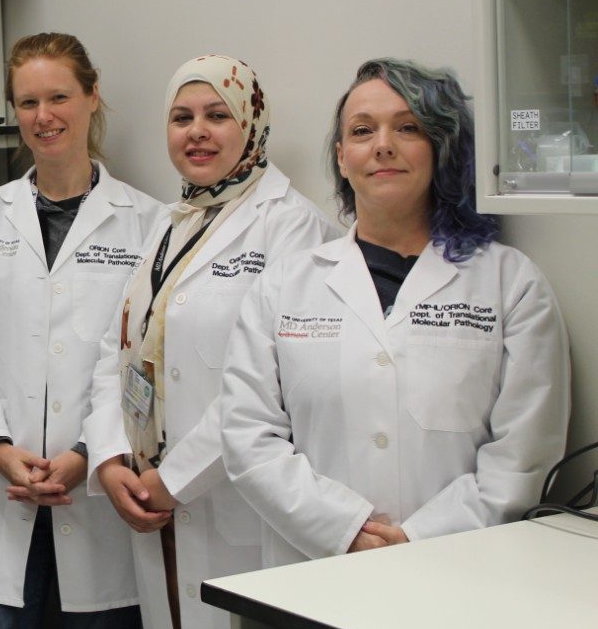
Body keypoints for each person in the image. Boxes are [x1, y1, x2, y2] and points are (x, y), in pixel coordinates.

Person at [221, 58, 570, 571]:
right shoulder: (283, 285)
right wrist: (342, 531)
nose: (383, 145)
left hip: (462, 569)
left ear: (440, 148)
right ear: (342, 158)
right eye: (362, 131)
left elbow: (524, 454)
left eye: (408, 128)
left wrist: (419, 539)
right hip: (316, 572)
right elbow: (249, 435)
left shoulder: (510, 284)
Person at [83, 55, 335, 629]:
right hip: (150, 497)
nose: (196, 131)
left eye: (217, 115)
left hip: (231, 502)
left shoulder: (293, 227)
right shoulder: (173, 222)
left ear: (251, 123)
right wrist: (109, 456)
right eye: (181, 117)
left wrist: (176, 480)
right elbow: (118, 349)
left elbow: (272, 384)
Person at [0, 32, 164, 629]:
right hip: (2, 485)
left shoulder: (147, 223)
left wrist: (89, 453)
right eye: (28, 102)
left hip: (97, 486)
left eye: (59, 97)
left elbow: (145, 361)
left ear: (92, 97)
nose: (44, 116)